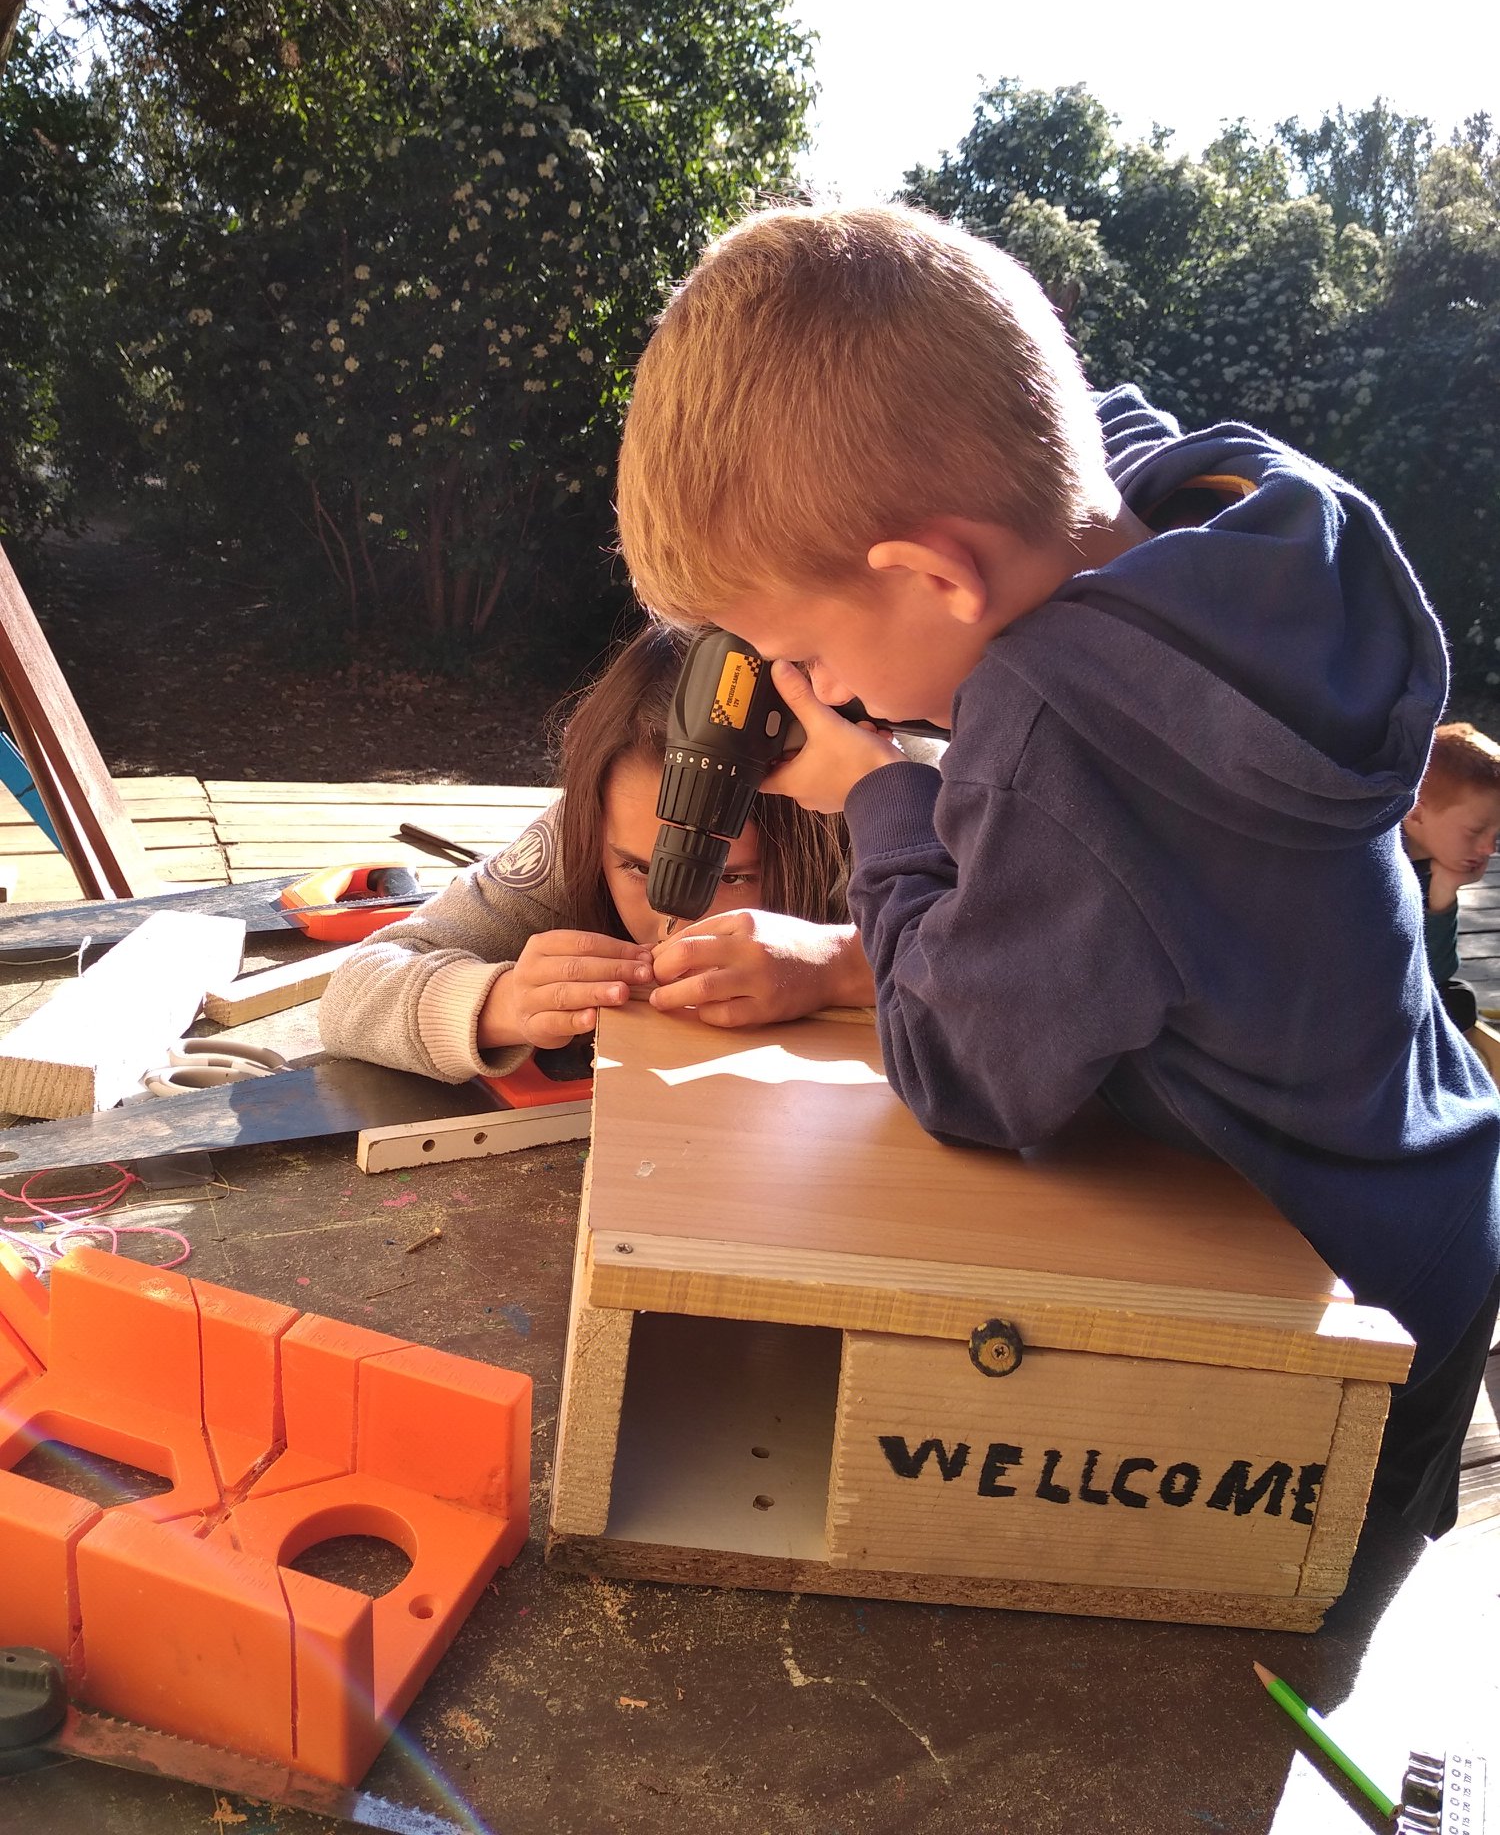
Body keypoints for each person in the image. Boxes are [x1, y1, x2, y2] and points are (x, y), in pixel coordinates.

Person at [614, 201, 1500, 1539]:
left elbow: (958, 1071)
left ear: (934, 574)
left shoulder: (1064, 738)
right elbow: (1062, 425)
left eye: (804, 650)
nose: (817, 687)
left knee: (1290, 1588)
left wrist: (880, 793)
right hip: (1431, 1190)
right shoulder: (1231, 511)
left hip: (1326, 1304)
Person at [319, 623, 873, 1083]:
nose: (675, 922)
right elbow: (352, 993)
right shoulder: (576, 841)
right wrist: (505, 1002)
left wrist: (842, 966)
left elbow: (940, 962)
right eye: (637, 868)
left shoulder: (885, 807)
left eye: (731, 877)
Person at [1402, 721, 1500, 1032]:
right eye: (1475, 831)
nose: (1489, 849)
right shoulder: (1374, 869)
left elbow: (1439, 973)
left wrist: (1444, 891)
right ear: (1416, 813)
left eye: (1496, 835)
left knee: (1457, 999)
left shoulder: (1432, 865)